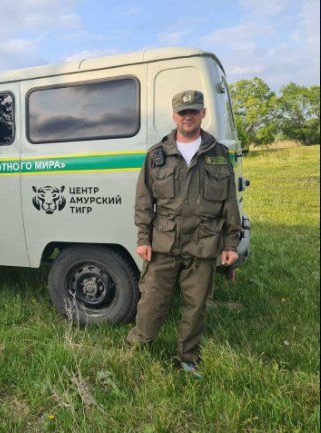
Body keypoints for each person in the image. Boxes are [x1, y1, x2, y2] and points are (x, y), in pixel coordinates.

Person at [127, 90, 241, 378]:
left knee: (195, 305)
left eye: (193, 111)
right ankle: (138, 347)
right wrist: (143, 239)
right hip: (164, 243)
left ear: (203, 113)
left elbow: (230, 203)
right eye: (182, 112)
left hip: (203, 243)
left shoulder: (218, 154)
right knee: (151, 300)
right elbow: (144, 200)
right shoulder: (157, 154)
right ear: (174, 116)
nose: (187, 117)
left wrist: (231, 244)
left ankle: (188, 359)